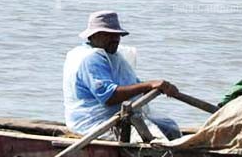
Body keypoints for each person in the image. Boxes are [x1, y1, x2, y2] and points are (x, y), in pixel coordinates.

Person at [62, 10, 182, 139]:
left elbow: (134, 87)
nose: (115, 39)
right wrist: (149, 85)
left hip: (117, 117)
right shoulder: (91, 58)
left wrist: (159, 87)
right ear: (93, 36)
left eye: (117, 35)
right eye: (108, 35)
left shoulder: (114, 56)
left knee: (169, 127)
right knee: (155, 140)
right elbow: (109, 97)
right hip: (95, 123)